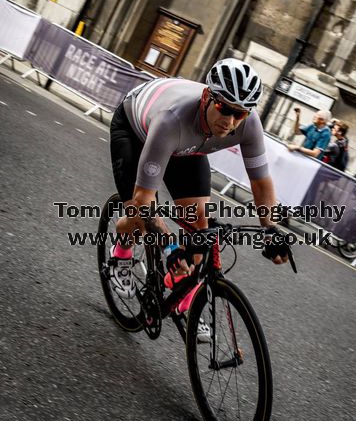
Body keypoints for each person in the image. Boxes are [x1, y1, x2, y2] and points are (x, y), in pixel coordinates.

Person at [109, 58, 291, 308]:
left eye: (239, 113)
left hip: (187, 146)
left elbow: (260, 182)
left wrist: (271, 230)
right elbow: (143, 199)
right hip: (136, 131)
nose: (230, 121)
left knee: (199, 224)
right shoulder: (170, 120)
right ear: (207, 96)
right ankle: (121, 253)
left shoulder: (249, 124)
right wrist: (169, 246)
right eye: (223, 107)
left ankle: (184, 290)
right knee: (140, 217)